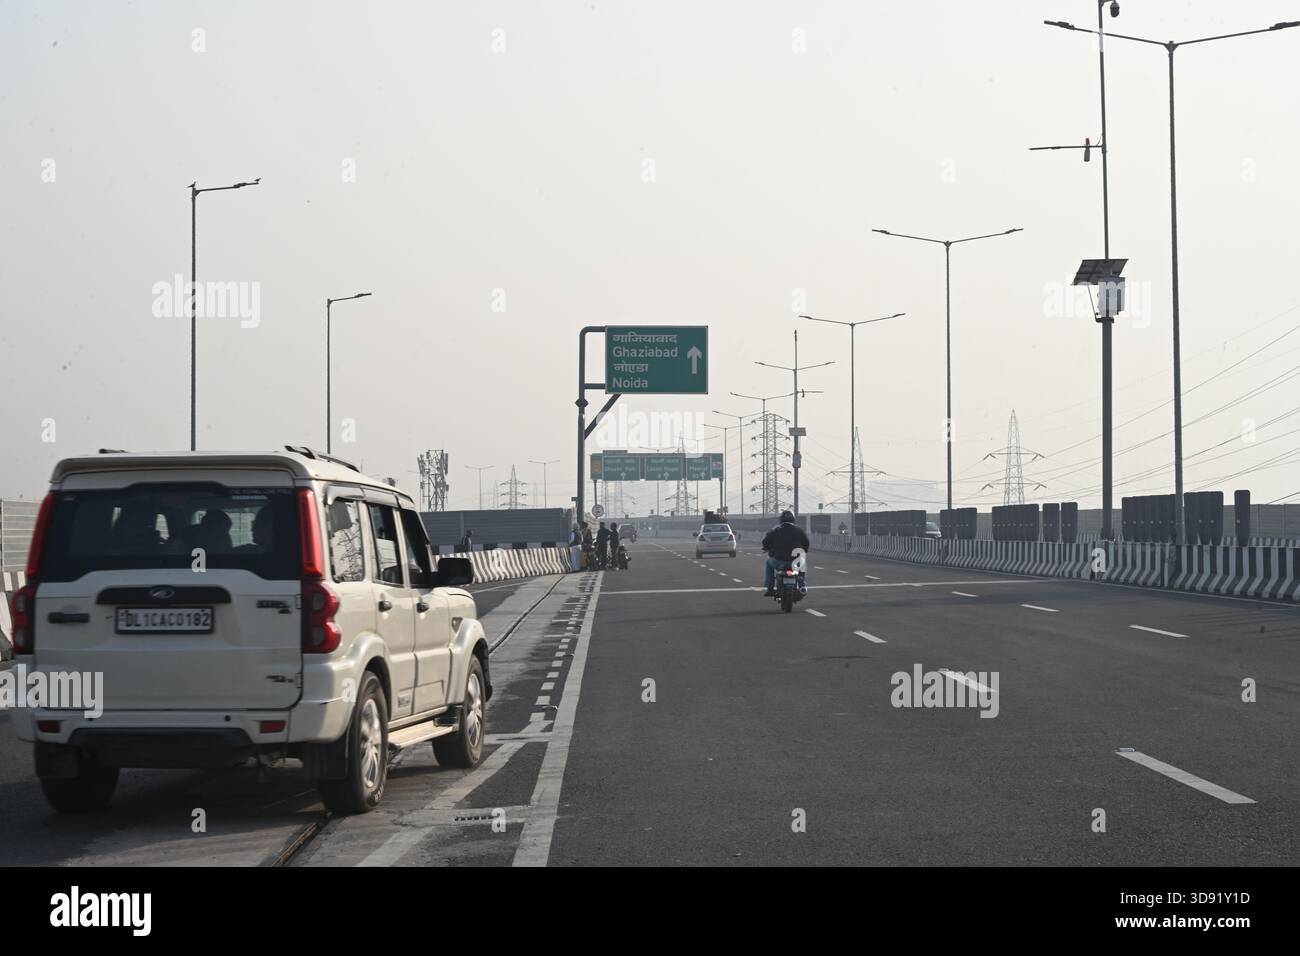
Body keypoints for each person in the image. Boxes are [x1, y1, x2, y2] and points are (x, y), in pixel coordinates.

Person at [761, 510, 810, 596]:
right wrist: (805, 550)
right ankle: (802, 586)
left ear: (780, 520)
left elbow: (765, 541)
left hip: (779, 561)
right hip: (795, 561)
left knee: (768, 563)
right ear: (793, 520)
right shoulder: (799, 530)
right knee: (803, 564)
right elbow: (806, 542)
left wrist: (766, 548)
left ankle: (770, 588)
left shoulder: (776, 530)